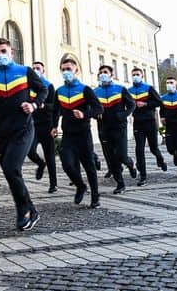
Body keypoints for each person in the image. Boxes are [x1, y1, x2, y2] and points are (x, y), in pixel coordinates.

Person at [0, 38, 47, 231]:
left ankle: (22, 211)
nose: (0, 55)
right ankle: (32, 210)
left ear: (11, 53)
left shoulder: (24, 72)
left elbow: (43, 90)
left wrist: (33, 104)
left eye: (3, 51)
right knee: (12, 174)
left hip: (23, 130)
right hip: (1, 134)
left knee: (11, 168)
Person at [53, 58, 104, 207]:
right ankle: (80, 186)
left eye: (69, 69)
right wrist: (54, 126)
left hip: (83, 134)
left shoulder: (85, 89)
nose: (66, 72)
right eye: (63, 69)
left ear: (76, 70)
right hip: (68, 135)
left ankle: (95, 196)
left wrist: (84, 115)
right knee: (67, 164)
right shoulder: (59, 91)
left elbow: (99, 109)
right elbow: (55, 111)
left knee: (89, 166)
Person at [94, 65, 137, 194]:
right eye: (100, 72)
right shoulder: (95, 92)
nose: (103, 74)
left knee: (121, 156)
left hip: (119, 128)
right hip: (104, 129)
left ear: (111, 75)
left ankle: (131, 164)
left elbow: (132, 105)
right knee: (112, 159)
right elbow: (91, 108)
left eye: (105, 72)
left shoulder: (120, 89)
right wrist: (95, 114)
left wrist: (123, 115)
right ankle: (120, 184)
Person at [127, 68, 166, 186]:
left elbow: (159, 102)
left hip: (150, 121)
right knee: (139, 149)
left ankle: (160, 159)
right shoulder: (129, 91)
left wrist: (146, 104)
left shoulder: (149, 88)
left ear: (142, 75)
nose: (135, 76)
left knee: (153, 148)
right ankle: (143, 177)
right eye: (133, 75)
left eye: (137, 74)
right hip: (138, 122)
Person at [26, 61, 58, 193]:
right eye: (33, 68)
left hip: (47, 125)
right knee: (30, 151)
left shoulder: (49, 86)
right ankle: (40, 164)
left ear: (43, 71)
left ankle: (53, 184)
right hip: (32, 125)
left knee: (50, 155)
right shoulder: (28, 87)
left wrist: (44, 106)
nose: (35, 70)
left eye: (38, 68)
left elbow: (55, 108)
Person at [160, 77, 177, 177]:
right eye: (167, 83)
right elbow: (162, 110)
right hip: (169, 125)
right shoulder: (163, 98)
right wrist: (162, 117)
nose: (169, 84)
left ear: (175, 84)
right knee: (170, 148)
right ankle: (174, 154)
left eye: (171, 82)